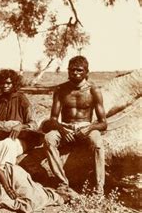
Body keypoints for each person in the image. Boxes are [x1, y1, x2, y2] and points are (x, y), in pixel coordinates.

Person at [43, 56, 107, 195]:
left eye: (79, 70)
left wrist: (89, 128)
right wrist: (61, 129)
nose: (76, 73)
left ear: (86, 72)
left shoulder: (93, 90)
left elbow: (103, 123)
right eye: (72, 70)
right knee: (49, 139)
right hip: (65, 126)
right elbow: (53, 119)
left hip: (86, 126)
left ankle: (99, 188)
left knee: (98, 144)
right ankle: (62, 182)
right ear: (68, 71)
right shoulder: (61, 89)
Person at [0, 69, 37, 167]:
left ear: (14, 83)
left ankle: (5, 176)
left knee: (8, 143)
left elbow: (33, 124)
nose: (5, 86)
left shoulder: (21, 99)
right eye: (2, 83)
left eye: (8, 83)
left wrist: (21, 126)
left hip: (18, 139)